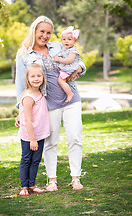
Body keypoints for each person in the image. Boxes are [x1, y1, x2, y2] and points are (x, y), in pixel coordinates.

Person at [15, 15, 86, 192]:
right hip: (48, 104)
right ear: (34, 31)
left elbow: (76, 58)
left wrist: (79, 68)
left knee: (75, 138)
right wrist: (20, 110)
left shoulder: (57, 46)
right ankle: (52, 180)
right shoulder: (24, 54)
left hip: (72, 98)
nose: (45, 36)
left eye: (48, 32)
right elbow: (21, 85)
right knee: (50, 142)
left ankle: (75, 178)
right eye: (42, 32)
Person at [18, 63, 50, 196]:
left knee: (36, 160)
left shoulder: (39, 92)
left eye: (39, 75)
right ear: (27, 78)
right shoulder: (28, 96)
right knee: (26, 159)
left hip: (39, 133)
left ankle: (32, 185)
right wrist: (32, 139)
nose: (36, 78)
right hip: (29, 135)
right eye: (33, 76)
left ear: (43, 77)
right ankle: (24, 186)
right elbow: (27, 119)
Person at [54, 26, 80, 103]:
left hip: (69, 68)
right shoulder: (65, 49)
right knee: (63, 80)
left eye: (69, 39)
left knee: (60, 80)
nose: (66, 41)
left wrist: (59, 59)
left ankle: (69, 93)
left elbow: (69, 60)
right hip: (67, 67)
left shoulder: (73, 50)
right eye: (64, 39)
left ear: (75, 40)